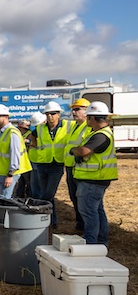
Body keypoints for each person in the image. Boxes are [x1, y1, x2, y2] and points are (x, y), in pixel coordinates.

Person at [70, 101, 118, 245]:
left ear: (92, 118)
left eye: (88, 117)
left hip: (92, 180)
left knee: (89, 213)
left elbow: (83, 151)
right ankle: (101, 241)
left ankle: (91, 243)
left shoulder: (101, 135)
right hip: (95, 179)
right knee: (97, 211)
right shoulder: (100, 133)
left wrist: (74, 150)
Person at [29, 101, 72, 228]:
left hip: (57, 164)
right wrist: (36, 145)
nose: (50, 116)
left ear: (59, 114)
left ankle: (40, 215)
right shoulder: (40, 128)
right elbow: (33, 135)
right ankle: (51, 221)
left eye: (53, 114)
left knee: (48, 194)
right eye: (47, 114)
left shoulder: (67, 126)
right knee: (45, 193)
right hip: (43, 164)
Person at [0, 104, 31, 199]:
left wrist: (10, 175)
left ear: (6, 117)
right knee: (3, 201)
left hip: (7, 174)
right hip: (1, 173)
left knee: (4, 201)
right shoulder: (2, 132)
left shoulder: (12, 133)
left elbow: (15, 155)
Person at [63, 98, 92, 233]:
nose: (73, 112)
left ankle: (85, 226)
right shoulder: (75, 125)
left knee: (82, 200)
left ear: (86, 111)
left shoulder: (88, 126)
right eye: (73, 109)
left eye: (77, 109)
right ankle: (80, 224)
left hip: (80, 168)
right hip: (71, 167)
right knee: (74, 198)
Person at [28, 112, 46, 198]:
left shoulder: (45, 132)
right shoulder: (36, 132)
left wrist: (32, 143)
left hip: (42, 162)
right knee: (35, 188)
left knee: (39, 189)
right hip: (35, 161)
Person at [13, 119, 32, 198]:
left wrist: (26, 141)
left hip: (26, 161)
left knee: (27, 181)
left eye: (20, 128)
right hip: (20, 161)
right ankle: (19, 195)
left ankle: (29, 196)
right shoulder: (19, 134)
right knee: (21, 181)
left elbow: (30, 142)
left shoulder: (29, 134)